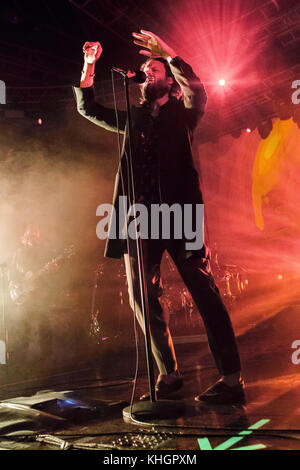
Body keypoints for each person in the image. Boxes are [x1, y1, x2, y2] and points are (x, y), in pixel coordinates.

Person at [73, 30, 245, 403]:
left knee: (204, 292)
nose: (147, 73)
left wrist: (169, 54)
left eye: (155, 69)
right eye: (145, 69)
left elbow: (198, 89)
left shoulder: (184, 114)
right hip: (139, 220)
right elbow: (88, 108)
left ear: (169, 79)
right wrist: (88, 68)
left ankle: (232, 380)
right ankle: (169, 373)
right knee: (142, 295)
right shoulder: (133, 118)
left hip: (179, 216)